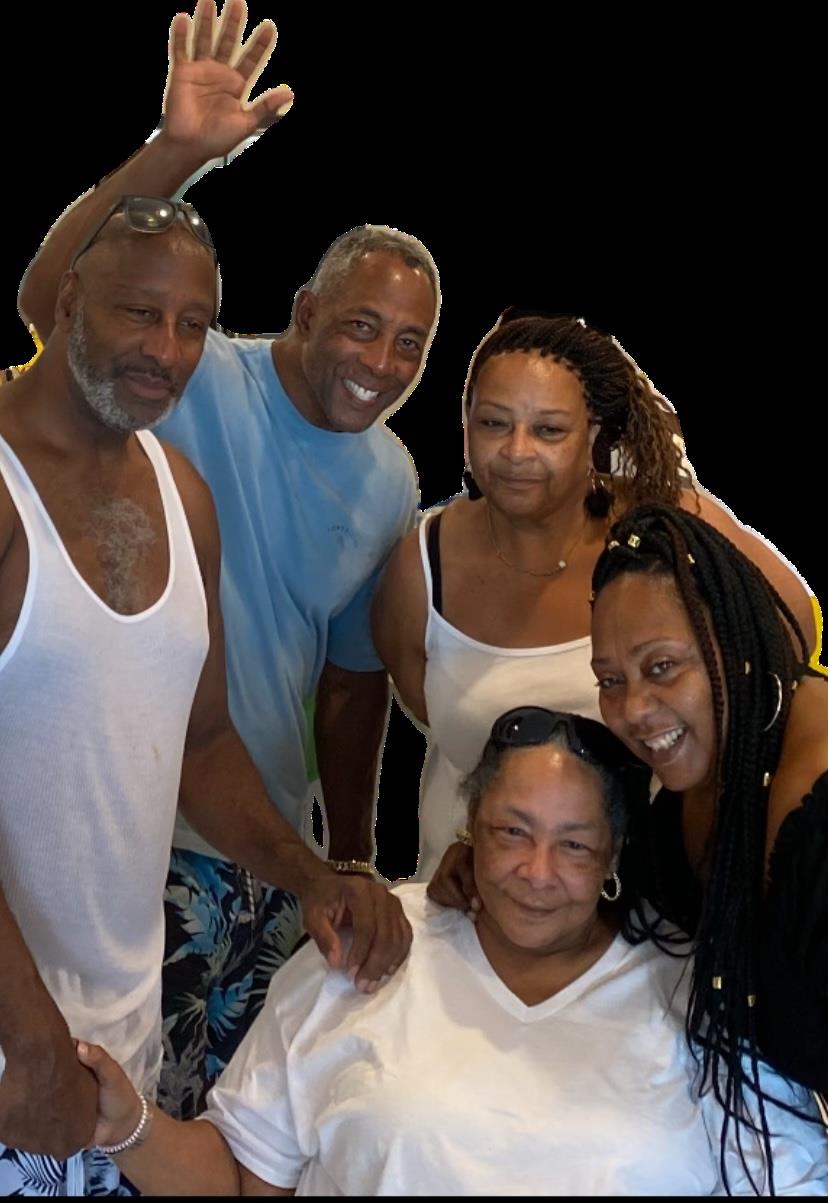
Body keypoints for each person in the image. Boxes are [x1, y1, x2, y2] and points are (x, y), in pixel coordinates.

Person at [18, 0, 439, 1117]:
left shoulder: (360, 480)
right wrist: (179, 155)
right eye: (359, 327)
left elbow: (311, 701)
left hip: (210, 892)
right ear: (303, 313)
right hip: (92, 927)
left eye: (409, 344)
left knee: (220, 1128)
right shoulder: (192, 392)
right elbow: (50, 290)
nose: (166, 349)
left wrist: (336, 862)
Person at [0, 195, 410, 1196]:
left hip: (121, 1036)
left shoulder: (181, 492)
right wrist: (30, 1035)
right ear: (66, 299)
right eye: (140, 313)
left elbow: (207, 741)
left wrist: (318, 876)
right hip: (20, 1051)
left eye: (191, 323)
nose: (167, 349)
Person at [73, 708, 827, 1196]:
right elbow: (240, 1179)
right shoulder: (369, 945)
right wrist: (126, 1123)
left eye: (573, 844)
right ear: (469, 823)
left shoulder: (697, 991)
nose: (536, 871)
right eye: (511, 831)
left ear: (614, 854)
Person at [372, 309, 816, 882]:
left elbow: (788, 627)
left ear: (596, 436)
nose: (516, 451)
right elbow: (419, 700)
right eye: (493, 423)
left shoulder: (663, 527)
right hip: (469, 887)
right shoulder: (421, 562)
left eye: (549, 430)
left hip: (650, 895)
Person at [586, 503, 828, 1134]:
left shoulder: (816, 822)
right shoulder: (701, 767)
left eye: (661, 667)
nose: (634, 709)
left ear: (734, 640)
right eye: (610, 680)